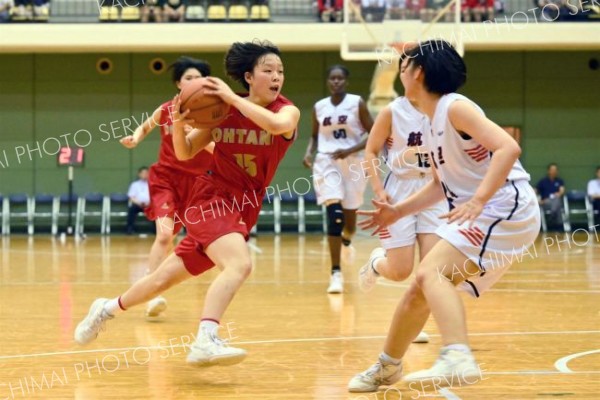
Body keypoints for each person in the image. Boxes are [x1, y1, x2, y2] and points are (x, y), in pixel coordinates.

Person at [75, 40, 300, 368]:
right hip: (211, 199)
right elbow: (185, 152)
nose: (276, 76)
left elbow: (277, 126)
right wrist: (179, 122)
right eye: (268, 70)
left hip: (243, 206)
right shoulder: (220, 112)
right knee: (239, 265)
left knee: (161, 281)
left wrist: (231, 98)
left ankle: (105, 309)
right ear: (249, 76)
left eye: (280, 70)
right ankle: (206, 339)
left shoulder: (285, 110)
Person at [349, 40, 540, 392]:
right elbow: (441, 184)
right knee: (419, 288)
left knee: (429, 272)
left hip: (505, 207)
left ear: (417, 73)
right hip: (488, 212)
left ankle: (457, 355)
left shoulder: (454, 107)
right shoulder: (431, 119)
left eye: (404, 65)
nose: (400, 69)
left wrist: (479, 199)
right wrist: (398, 211)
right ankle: (387, 366)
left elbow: (508, 147)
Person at [119, 56, 213, 319]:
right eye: (189, 78)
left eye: (200, 78)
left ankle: (157, 286)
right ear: (178, 83)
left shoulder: (212, 113)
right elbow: (146, 126)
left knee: (195, 240)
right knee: (164, 235)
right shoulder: (166, 109)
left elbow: (217, 147)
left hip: (197, 183)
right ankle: (152, 293)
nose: (195, 82)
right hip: (167, 179)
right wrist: (135, 138)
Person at [358, 95, 448, 344]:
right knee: (400, 271)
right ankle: (377, 263)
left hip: (435, 190)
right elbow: (371, 150)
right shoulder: (392, 111)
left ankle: (413, 326)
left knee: (432, 271)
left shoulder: (446, 106)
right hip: (400, 189)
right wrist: (378, 189)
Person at [303, 65, 374, 294]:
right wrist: (309, 151)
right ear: (328, 82)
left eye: (340, 78)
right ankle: (336, 273)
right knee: (334, 215)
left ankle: (346, 242)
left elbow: (374, 133)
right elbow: (315, 135)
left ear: (346, 82)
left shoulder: (357, 103)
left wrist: (350, 149)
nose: (336, 82)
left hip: (352, 162)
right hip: (327, 162)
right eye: (332, 79)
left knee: (349, 225)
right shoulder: (319, 107)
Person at [536, 163, 565, 230]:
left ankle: (552, 215)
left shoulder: (559, 181)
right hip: (545, 202)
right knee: (557, 204)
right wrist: (538, 200)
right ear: (548, 171)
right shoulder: (543, 181)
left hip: (555, 200)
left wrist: (558, 194)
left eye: (555, 170)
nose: (554, 171)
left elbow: (562, 191)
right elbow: (535, 190)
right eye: (552, 170)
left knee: (557, 200)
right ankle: (559, 226)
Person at [126, 166, 151, 235]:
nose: (145, 175)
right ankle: (130, 229)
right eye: (143, 173)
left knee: (157, 210)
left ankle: (156, 231)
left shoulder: (152, 184)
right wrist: (139, 203)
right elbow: (131, 197)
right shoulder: (134, 185)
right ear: (139, 174)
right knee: (131, 209)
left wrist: (149, 203)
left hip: (149, 205)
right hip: (138, 205)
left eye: (146, 173)